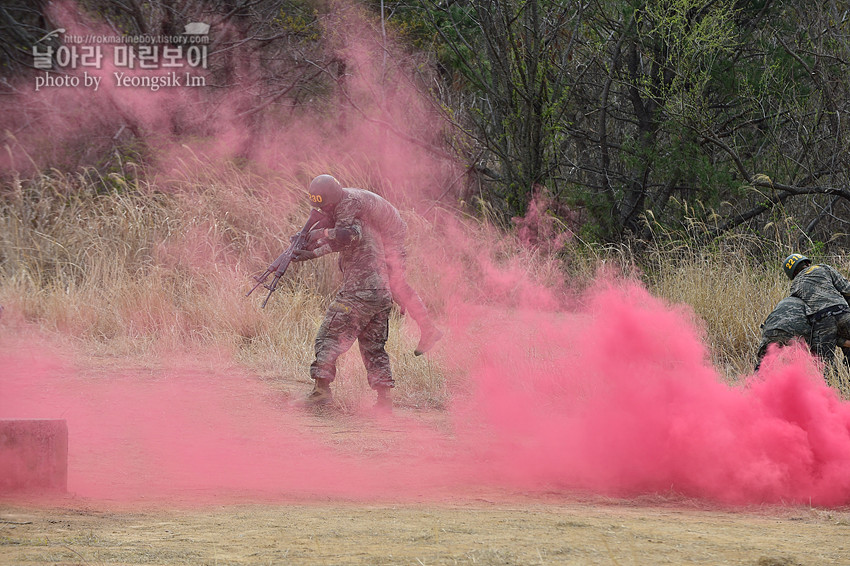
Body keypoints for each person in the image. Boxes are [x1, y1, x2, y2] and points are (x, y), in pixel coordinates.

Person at [291, 174, 440, 409]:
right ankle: (384, 401)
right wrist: (311, 245)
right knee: (374, 346)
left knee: (328, 337)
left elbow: (346, 237)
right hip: (380, 295)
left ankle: (321, 392)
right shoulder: (361, 222)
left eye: (324, 206)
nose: (322, 211)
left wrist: (316, 240)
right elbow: (340, 236)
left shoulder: (351, 214)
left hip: (360, 291)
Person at [784, 253, 850, 366]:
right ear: (807, 263)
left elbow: (799, 315)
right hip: (843, 312)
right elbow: (847, 289)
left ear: (793, 274)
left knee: (824, 365)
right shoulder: (823, 268)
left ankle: (833, 382)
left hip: (821, 320)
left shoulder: (794, 286)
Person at [755, 296, 812, 370]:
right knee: (797, 362)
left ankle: (754, 380)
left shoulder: (785, 300)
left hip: (770, 330)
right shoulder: (813, 304)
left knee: (764, 361)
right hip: (793, 332)